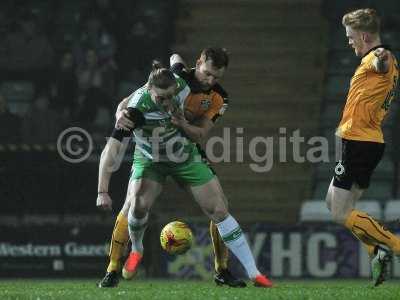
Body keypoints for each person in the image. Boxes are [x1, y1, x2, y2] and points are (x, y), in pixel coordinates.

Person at [96, 61, 273, 289]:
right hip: (151, 159)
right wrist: (102, 191)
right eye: (162, 99)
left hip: (184, 156)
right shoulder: (135, 110)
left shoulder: (179, 81)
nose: (168, 103)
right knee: (137, 206)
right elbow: (112, 150)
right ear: (150, 90)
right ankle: (137, 250)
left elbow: (176, 61)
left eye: (171, 97)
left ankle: (254, 272)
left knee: (219, 209)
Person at [325, 8, 399, 287]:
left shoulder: (379, 57)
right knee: (336, 204)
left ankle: (390, 246)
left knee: (339, 212)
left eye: (351, 36)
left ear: (365, 35)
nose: (349, 41)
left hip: (360, 143)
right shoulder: (377, 59)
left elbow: (381, 63)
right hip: (364, 142)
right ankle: (376, 250)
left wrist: (381, 56)